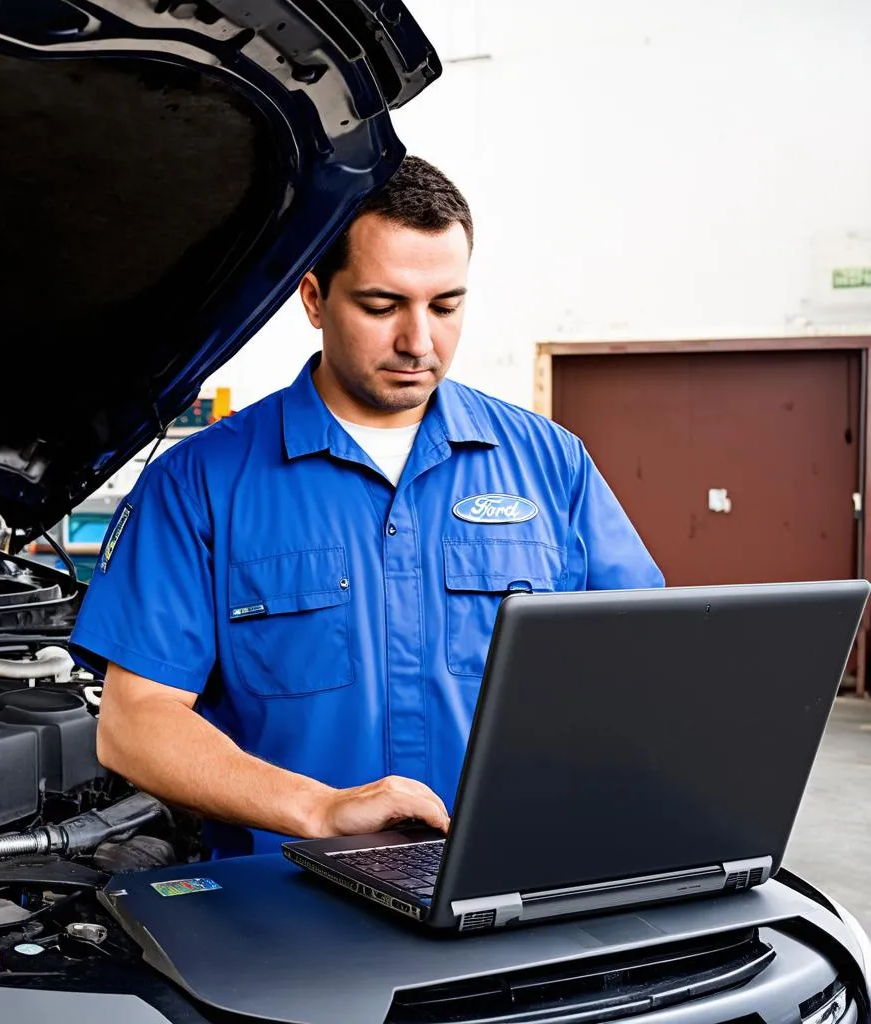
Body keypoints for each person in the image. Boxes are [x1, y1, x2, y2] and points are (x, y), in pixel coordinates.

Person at [69, 156, 664, 859]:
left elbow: (641, 668)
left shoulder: (552, 465)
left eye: (446, 306)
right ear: (315, 299)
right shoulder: (198, 483)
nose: (419, 342)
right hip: (287, 906)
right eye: (382, 307)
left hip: (514, 877)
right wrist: (318, 809)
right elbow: (135, 724)